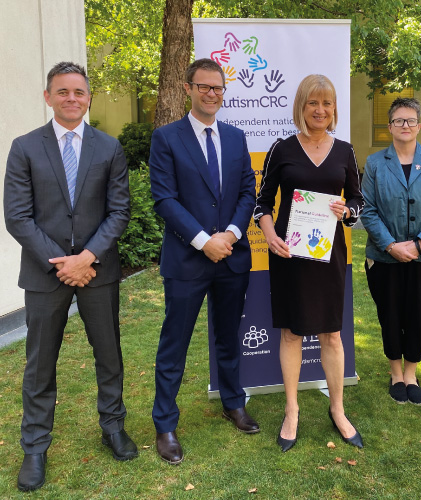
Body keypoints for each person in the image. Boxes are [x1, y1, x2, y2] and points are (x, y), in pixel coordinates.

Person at [3, 62, 135, 492]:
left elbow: (119, 211)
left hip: (99, 271)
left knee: (108, 353)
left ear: (89, 96)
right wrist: (63, 262)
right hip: (46, 274)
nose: (72, 99)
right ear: (48, 97)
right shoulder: (24, 148)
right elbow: (17, 217)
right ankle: (35, 447)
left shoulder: (109, 148)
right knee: (40, 364)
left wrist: (88, 257)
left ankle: (113, 426)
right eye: (63, 92)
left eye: (79, 92)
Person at [149, 58, 258, 464]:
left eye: (218, 88)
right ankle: (165, 423)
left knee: (229, 337)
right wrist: (201, 240)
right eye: (204, 87)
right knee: (174, 343)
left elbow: (248, 190)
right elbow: (164, 198)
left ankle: (233, 402)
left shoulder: (235, 136)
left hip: (231, 257)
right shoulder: (166, 137)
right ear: (188, 88)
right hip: (187, 260)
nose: (212, 94)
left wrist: (229, 234)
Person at [254, 74, 364, 452]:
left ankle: (338, 409)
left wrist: (345, 209)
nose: (320, 110)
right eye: (313, 103)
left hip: (328, 255)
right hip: (289, 253)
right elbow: (262, 204)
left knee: (332, 334)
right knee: (291, 333)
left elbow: (358, 204)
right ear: (301, 107)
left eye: (327, 103)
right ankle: (292, 410)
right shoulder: (281, 149)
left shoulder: (345, 151)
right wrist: (269, 236)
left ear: (334, 109)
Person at [361, 97, 421, 406]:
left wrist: (419, 244)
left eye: (410, 120)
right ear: (389, 126)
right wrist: (390, 245)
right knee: (389, 314)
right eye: (398, 120)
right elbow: (369, 210)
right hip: (385, 257)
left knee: (417, 314)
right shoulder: (375, 163)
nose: (405, 125)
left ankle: (411, 372)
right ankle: (395, 373)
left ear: (419, 126)